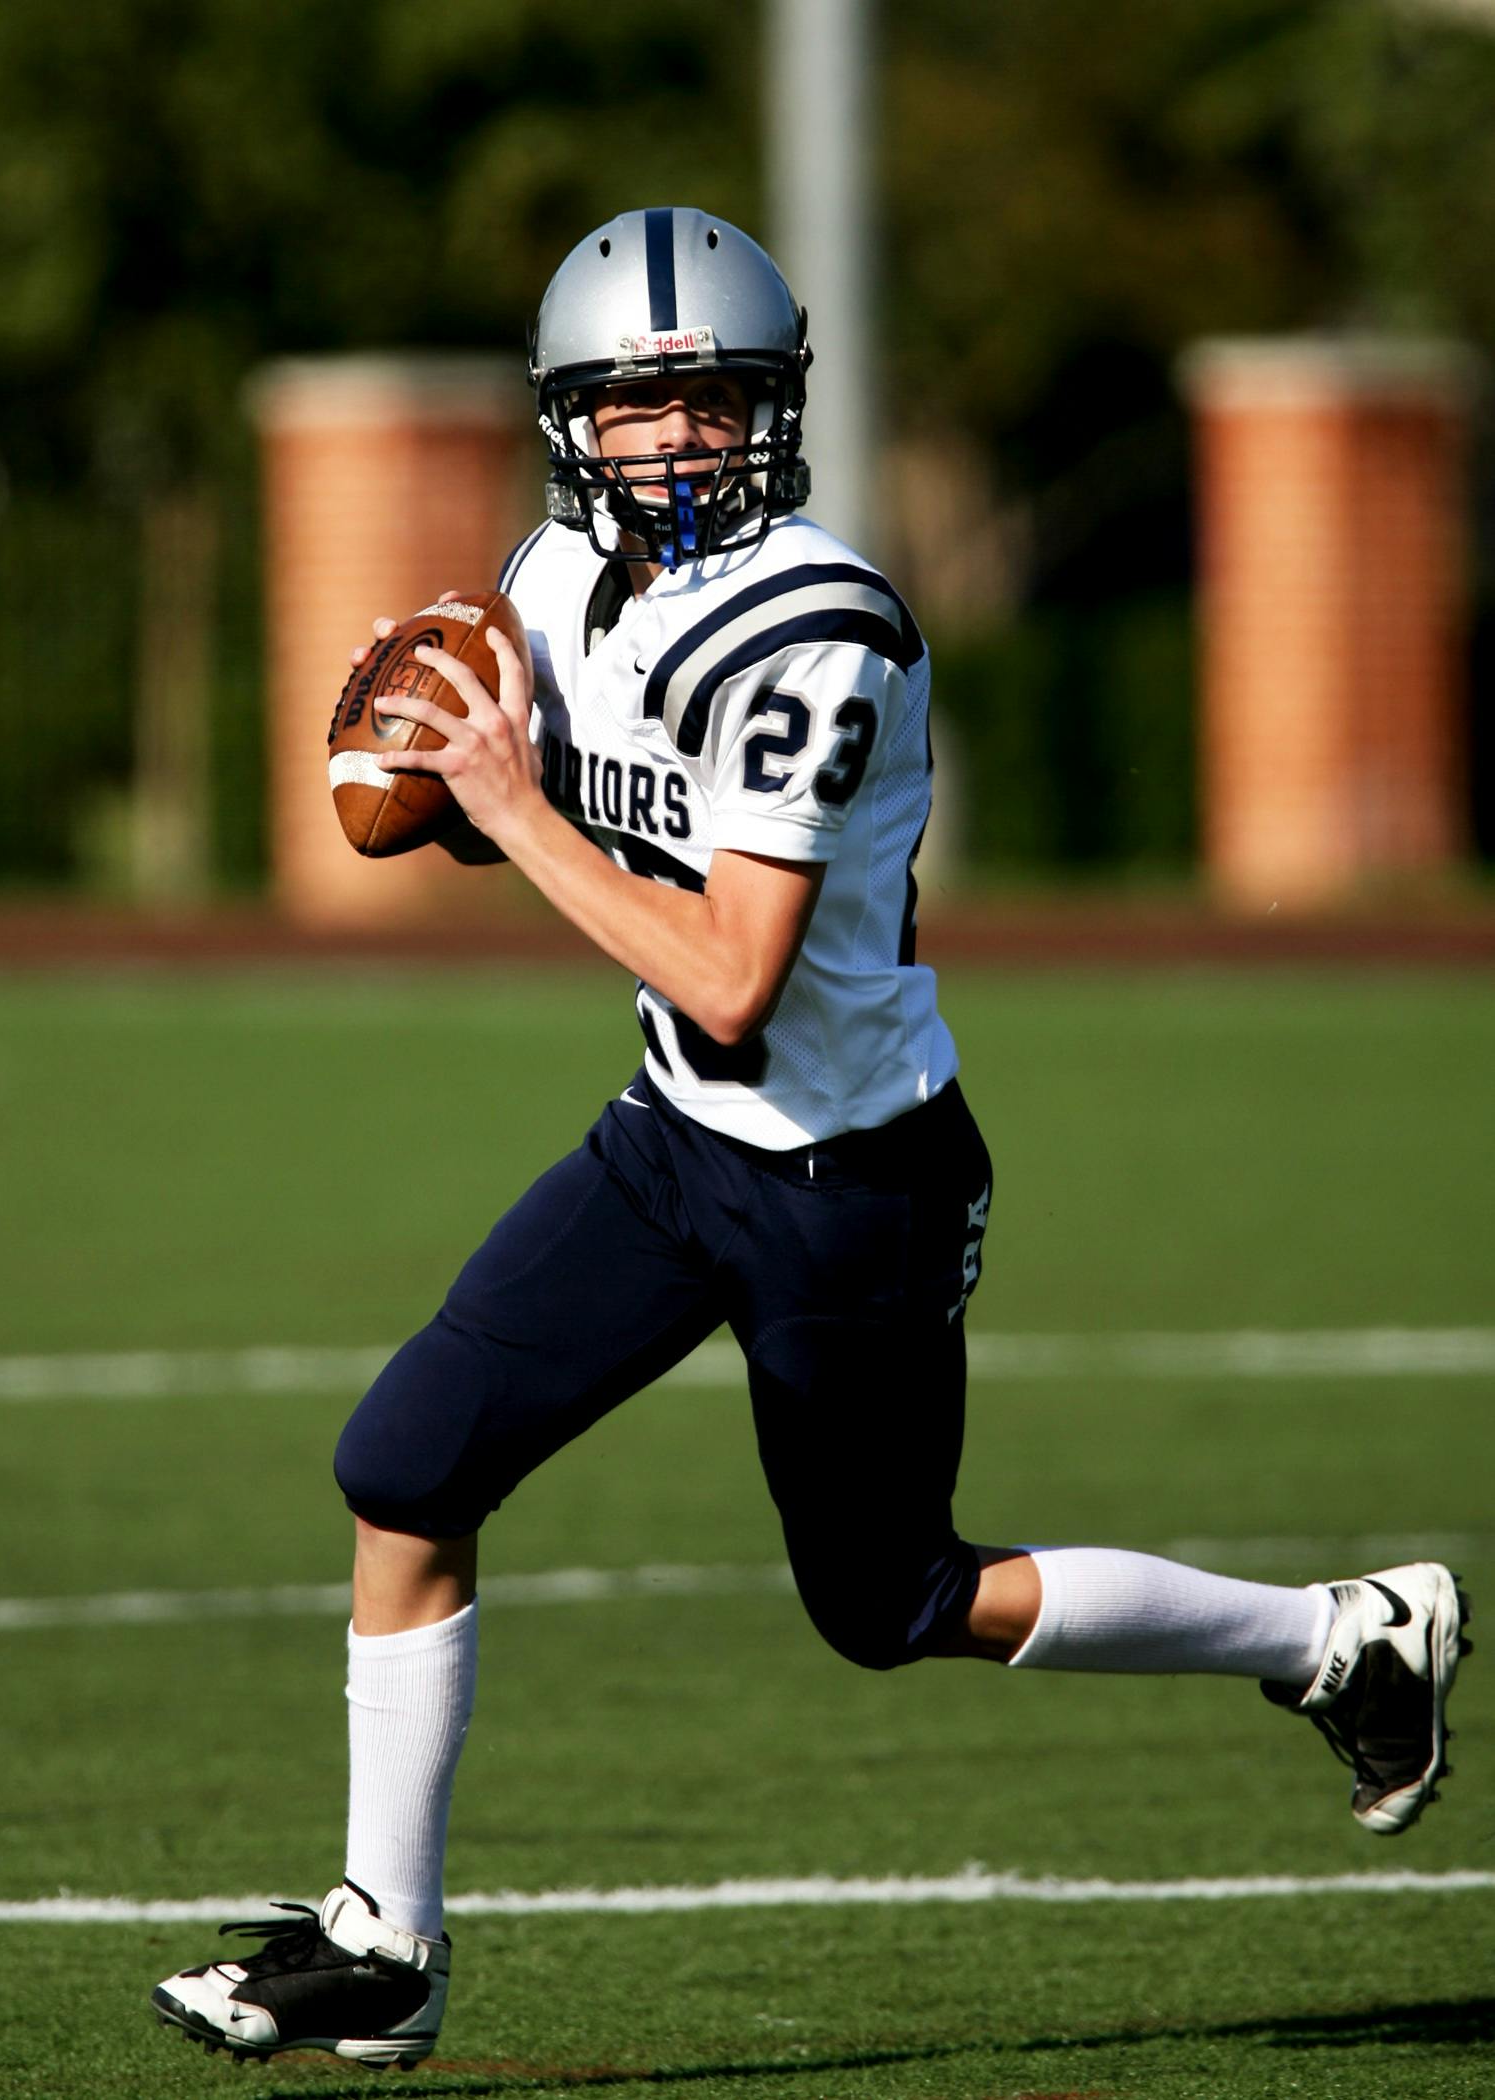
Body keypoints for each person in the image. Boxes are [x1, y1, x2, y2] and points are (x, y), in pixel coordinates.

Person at [151, 208, 1469, 2070]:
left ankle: (1340, 1636)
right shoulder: (552, 572)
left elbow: (728, 973)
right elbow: (541, 809)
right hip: (674, 1149)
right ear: (573, 425)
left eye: (713, 401)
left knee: (892, 1601)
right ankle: (386, 1946)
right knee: (406, 1466)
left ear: (774, 410)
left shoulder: (815, 632)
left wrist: (508, 810)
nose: (676, 437)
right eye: (638, 405)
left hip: (848, 1177)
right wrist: (437, 779)